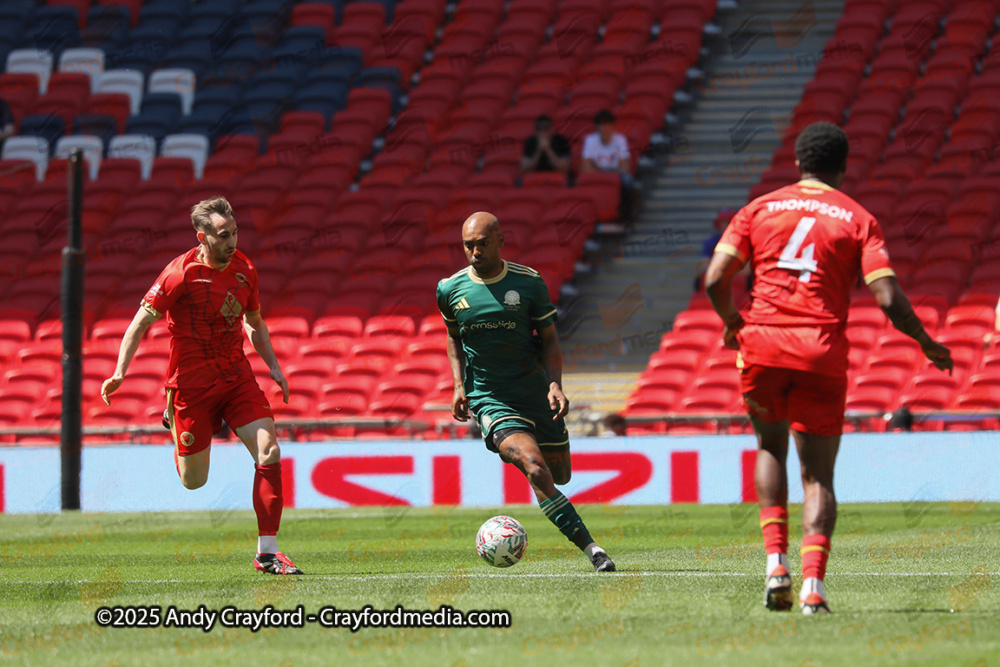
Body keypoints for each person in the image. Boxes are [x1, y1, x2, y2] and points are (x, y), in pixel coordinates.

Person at [704, 122, 952, 614]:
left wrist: (734, 323)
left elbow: (715, 279)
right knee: (818, 477)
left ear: (798, 164)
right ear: (842, 168)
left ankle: (776, 562)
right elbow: (887, 296)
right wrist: (926, 341)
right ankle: (813, 589)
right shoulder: (858, 218)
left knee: (769, 446)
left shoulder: (759, 208)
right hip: (820, 351)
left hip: (763, 346)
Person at [101, 196, 302, 575]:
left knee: (269, 450)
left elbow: (254, 322)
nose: (232, 241)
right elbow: (139, 323)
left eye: (235, 232)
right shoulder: (178, 274)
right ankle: (173, 421)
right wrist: (119, 372)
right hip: (191, 386)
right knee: (195, 482)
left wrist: (273, 366)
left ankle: (268, 553)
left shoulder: (246, 270)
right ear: (202, 236)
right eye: (224, 235)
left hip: (235, 377)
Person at [437, 212, 616, 572]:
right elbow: (453, 339)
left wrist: (554, 384)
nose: (474, 251)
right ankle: (593, 550)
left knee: (557, 474)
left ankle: (563, 512)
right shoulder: (449, 289)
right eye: (468, 245)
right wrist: (459, 385)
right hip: (490, 397)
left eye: (482, 243)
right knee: (534, 468)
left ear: (501, 241)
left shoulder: (529, 282)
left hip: (534, 391)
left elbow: (549, 340)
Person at [581, 109, 640, 221]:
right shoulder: (590, 140)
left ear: (612, 126)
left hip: (616, 171)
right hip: (597, 172)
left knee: (628, 181)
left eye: (607, 125)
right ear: (597, 127)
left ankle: (625, 215)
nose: (604, 129)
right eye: (602, 126)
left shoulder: (620, 139)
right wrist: (597, 173)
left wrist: (611, 175)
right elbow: (585, 166)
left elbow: (625, 166)